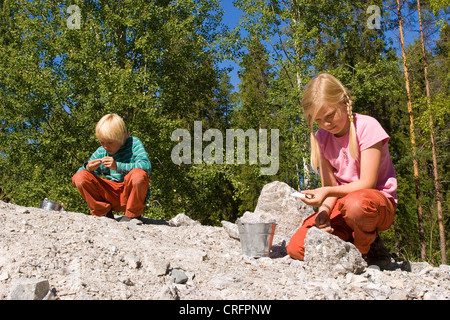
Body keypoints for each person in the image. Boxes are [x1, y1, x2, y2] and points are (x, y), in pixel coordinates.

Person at [286, 73, 398, 270]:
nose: (326, 124)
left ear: (344, 101)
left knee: (357, 205)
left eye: (330, 115)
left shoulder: (367, 126)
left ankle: (367, 247)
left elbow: (368, 183)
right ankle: (348, 240)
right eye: (319, 120)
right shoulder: (322, 138)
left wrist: (327, 192)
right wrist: (324, 211)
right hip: (342, 205)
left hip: (376, 204)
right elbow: (331, 186)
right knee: (297, 248)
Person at [72, 113, 151, 222]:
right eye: (102, 142)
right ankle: (103, 212)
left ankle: (133, 215)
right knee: (80, 177)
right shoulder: (101, 151)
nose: (105, 146)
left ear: (123, 136)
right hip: (110, 194)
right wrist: (88, 168)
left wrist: (117, 166)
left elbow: (146, 167)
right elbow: (78, 176)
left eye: (110, 142)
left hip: (130, 194)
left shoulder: (134, 143)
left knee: (138, 175)